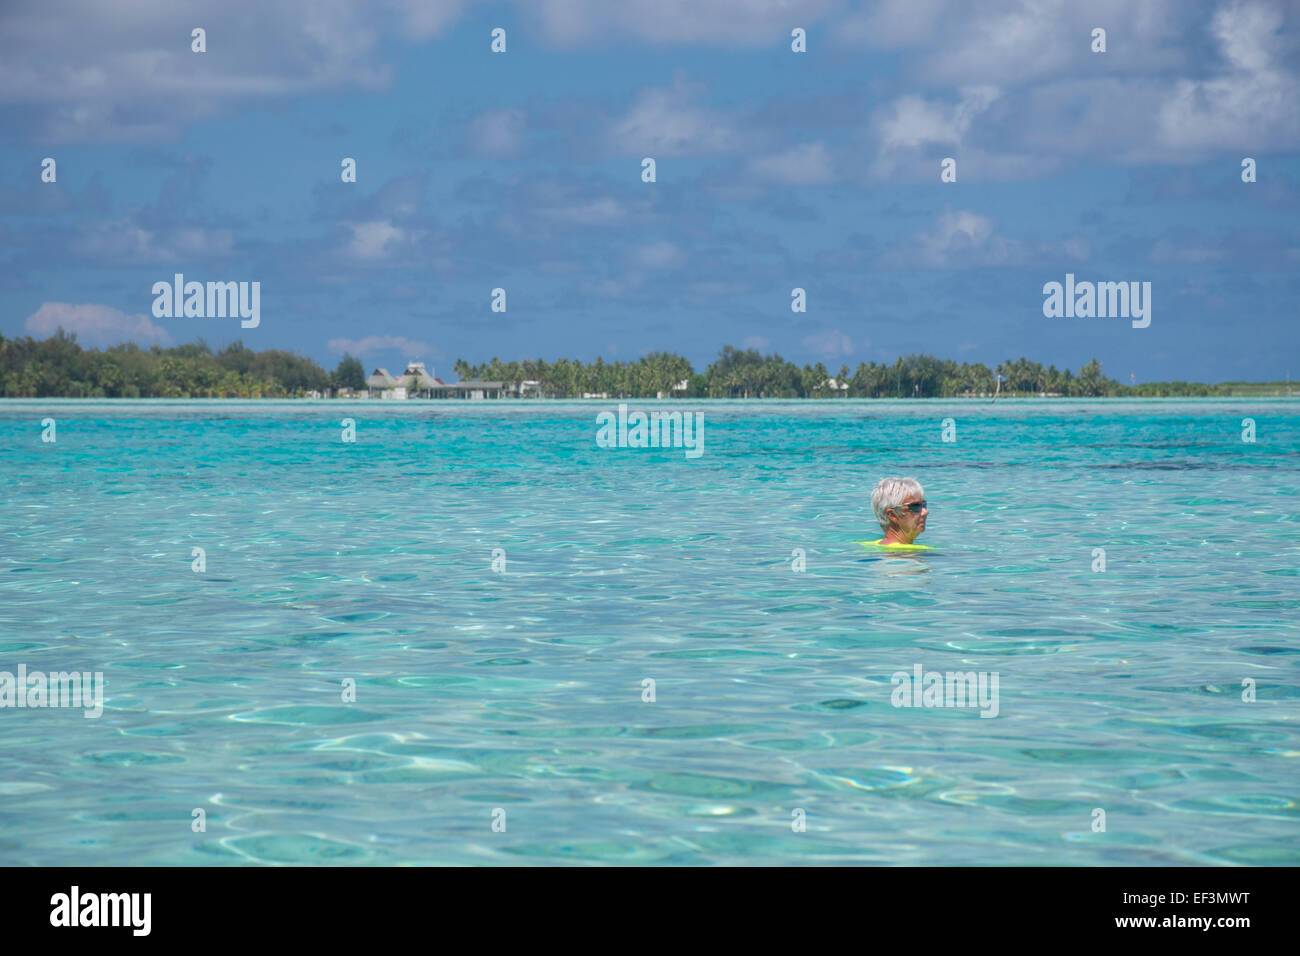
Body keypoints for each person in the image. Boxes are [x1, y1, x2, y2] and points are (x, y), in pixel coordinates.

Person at [868, 477, 930, 547]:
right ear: (893, 515)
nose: (926, 512)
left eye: (924, 505)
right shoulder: (909, 553)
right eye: (915, 506)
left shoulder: (870, 545)